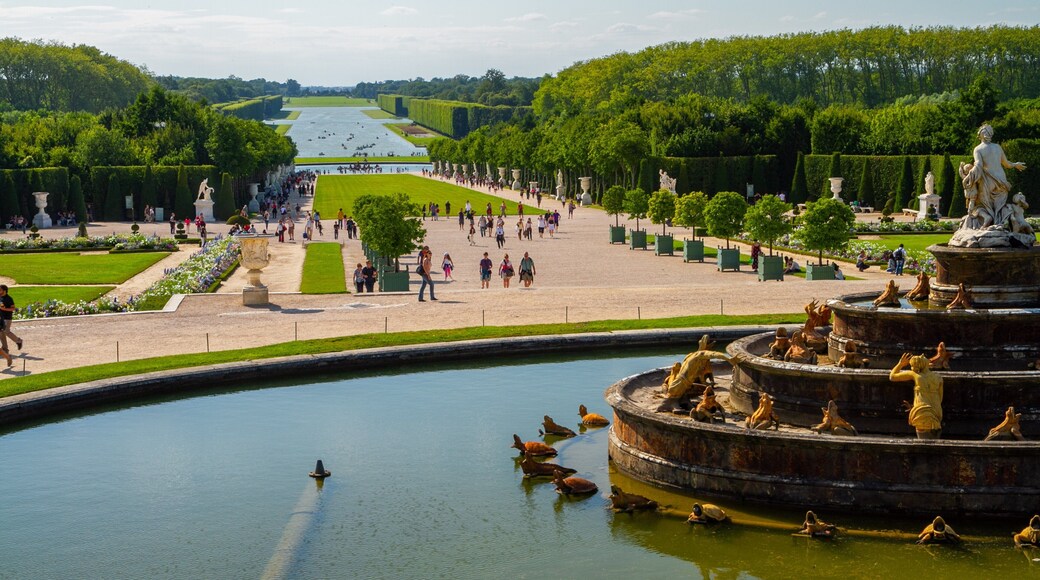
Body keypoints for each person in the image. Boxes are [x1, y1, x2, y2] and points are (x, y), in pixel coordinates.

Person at [960, 124, 1027, 229]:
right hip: (1002, 179)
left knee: (982, 205)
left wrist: (968, 176)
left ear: (980, 135)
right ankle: (999, 226)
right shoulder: (997, 147)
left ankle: (989, 224)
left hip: (988, 180)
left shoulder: (978, 149)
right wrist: (1015, 164)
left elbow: (978, 165)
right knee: (998, 207)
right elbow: (1007, 164)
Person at [889, 353, 943, 439]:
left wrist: (901, 364)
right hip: (936, 408)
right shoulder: (938, 377)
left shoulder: (915, 375)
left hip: (922, 408)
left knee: (923, 437)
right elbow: (940, 396)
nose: (923, 356)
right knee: (934, 436)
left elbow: (892, 377)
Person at [0, 284, 22, 364]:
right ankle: (5, 349)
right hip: (1, 318)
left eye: (0, 290)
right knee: (2, 333)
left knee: (6, 332)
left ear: (4, 290)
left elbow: (13, 308)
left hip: (7, 318)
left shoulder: (9, 299)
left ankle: (18, 341)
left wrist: (4, 309)